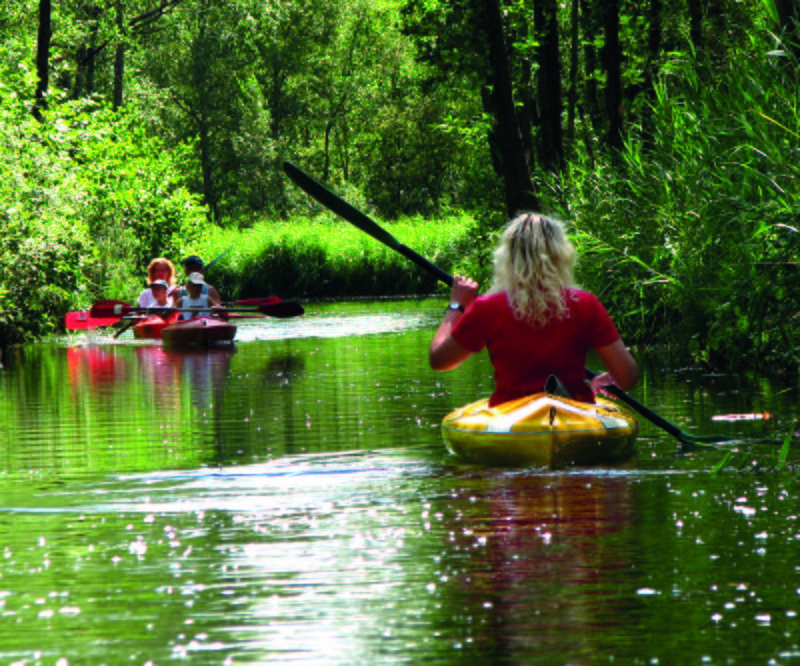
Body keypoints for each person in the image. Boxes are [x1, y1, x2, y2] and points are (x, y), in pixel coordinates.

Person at [429, 212, 638, 405]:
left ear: (507, 258)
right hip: (575, 410)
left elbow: (439, 360)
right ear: (561, 255)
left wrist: (457, 305)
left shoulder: (488, 308)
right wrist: (611, 377)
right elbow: (627, 378)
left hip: (512, 415)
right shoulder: (586, 303)